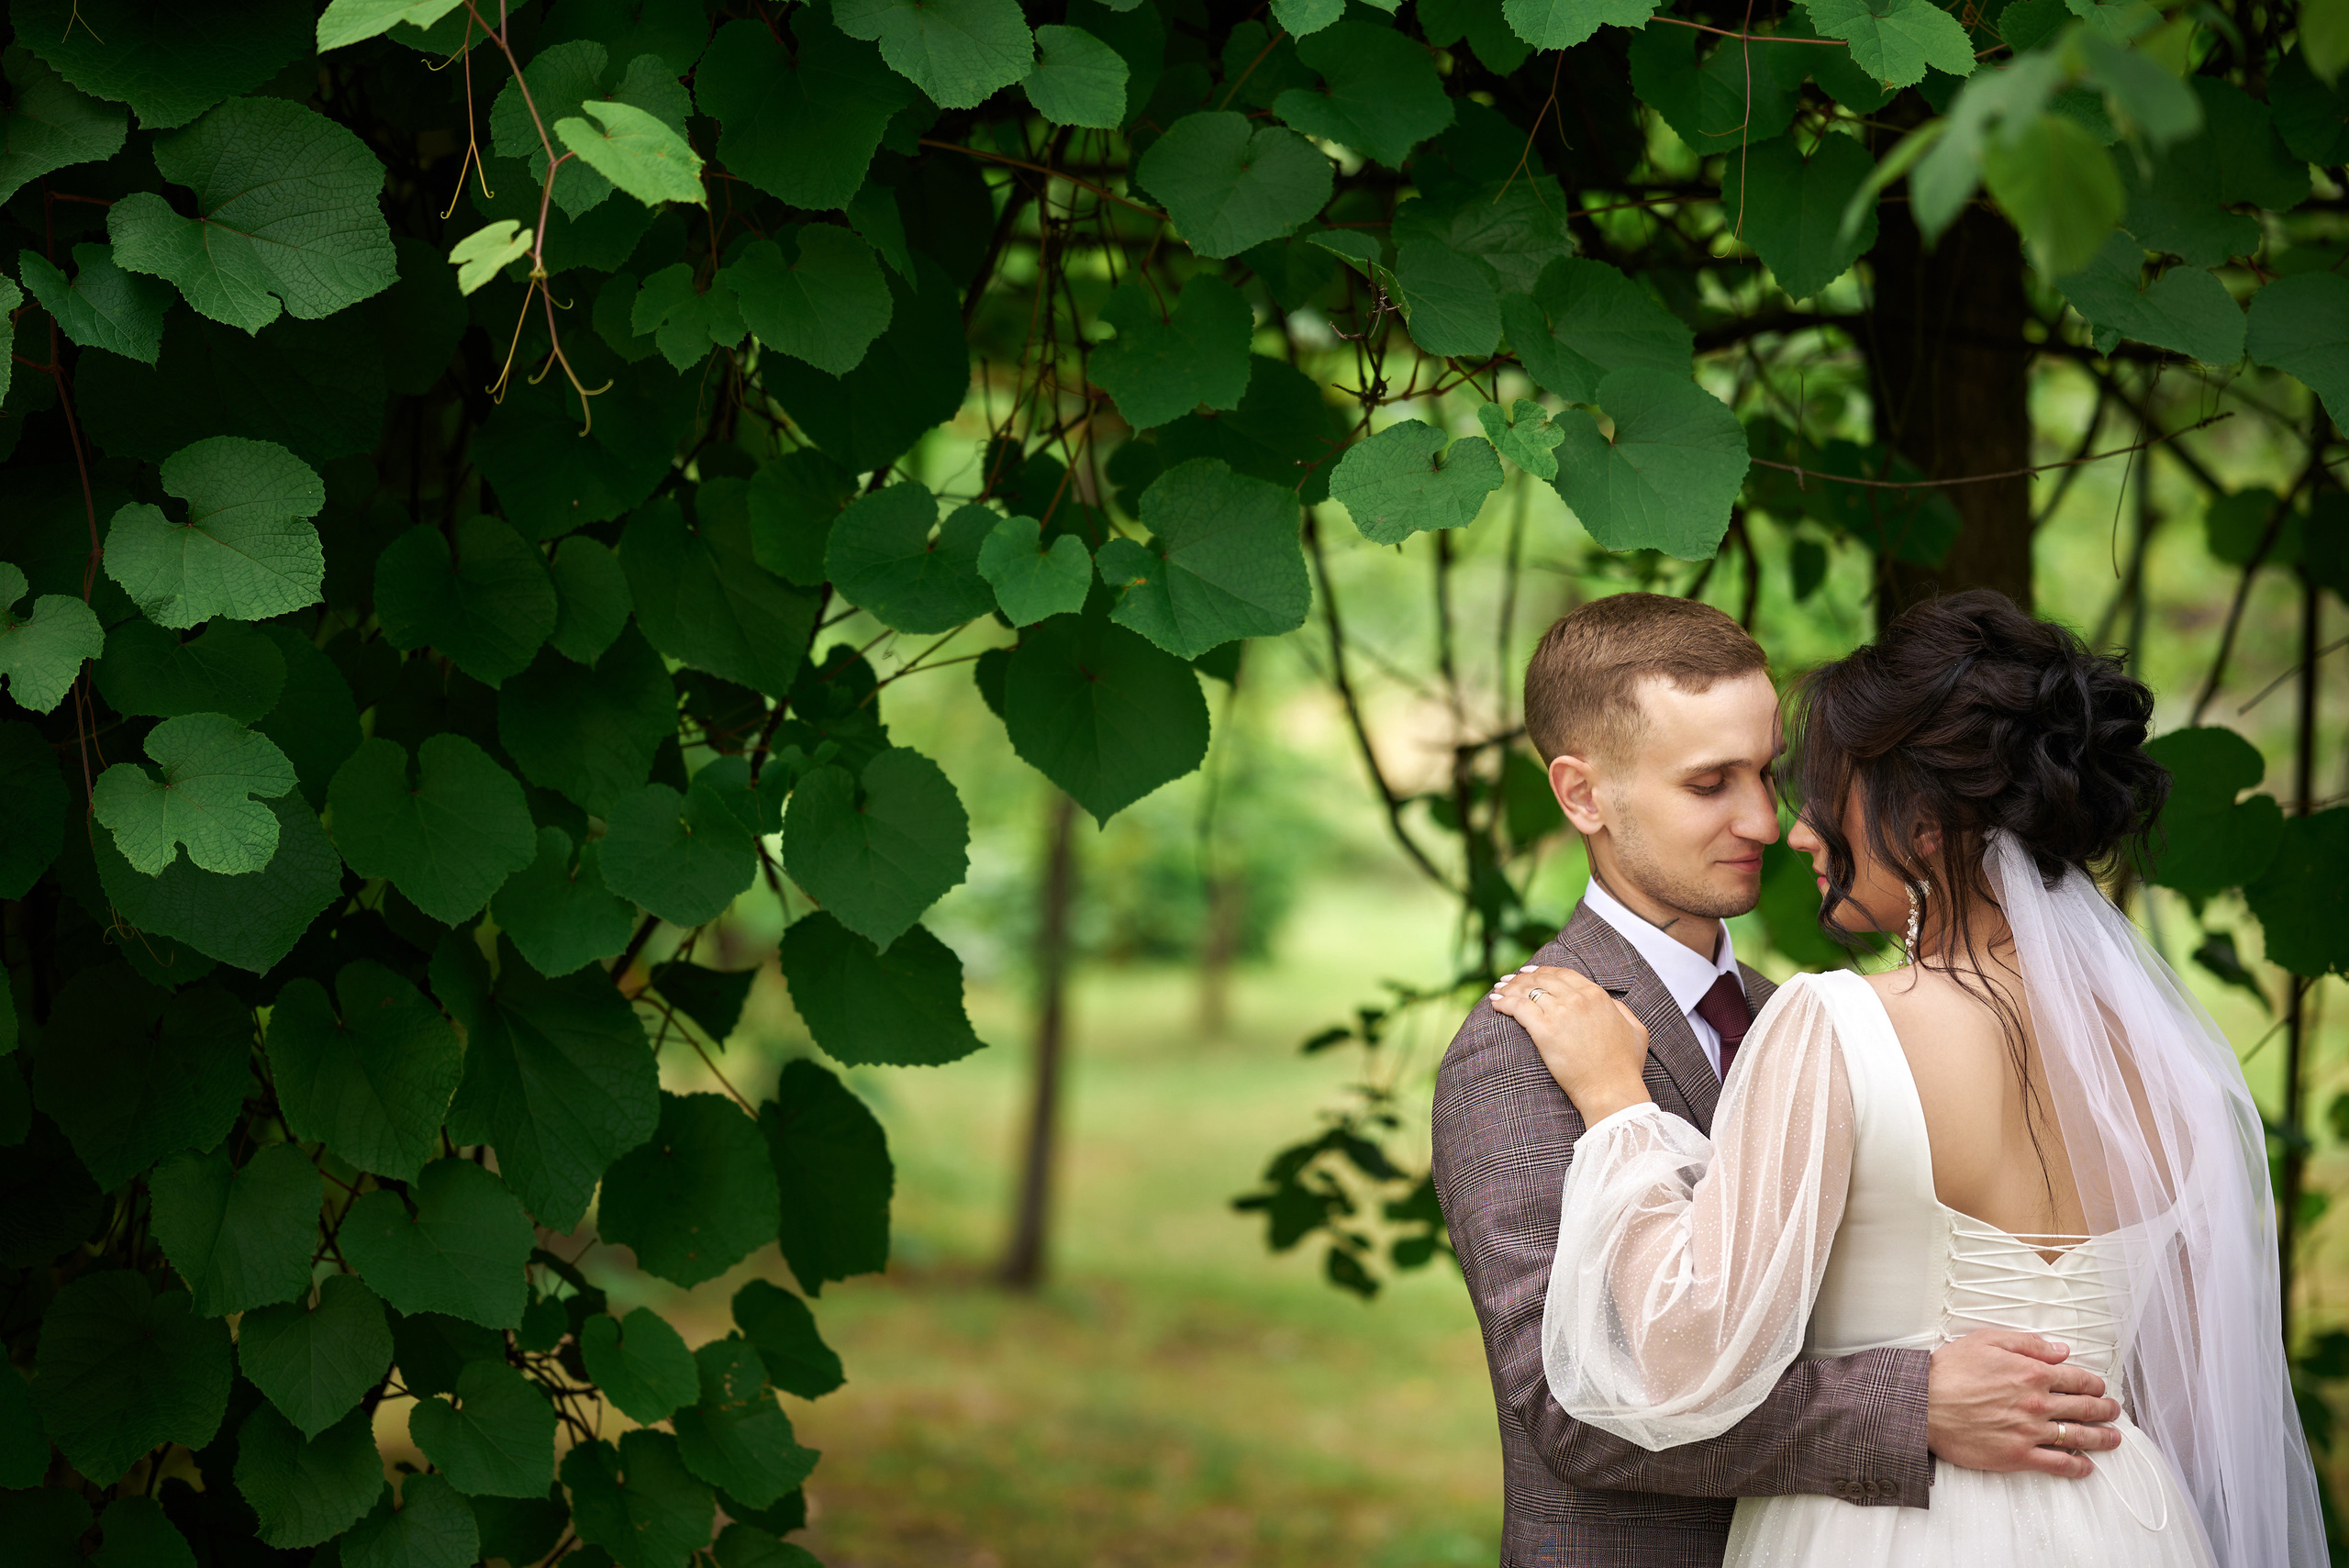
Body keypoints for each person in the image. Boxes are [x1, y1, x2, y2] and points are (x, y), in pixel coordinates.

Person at [1486, 591, 2323, 1567]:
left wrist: (1618, 1106)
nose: (1792, 830)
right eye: (1718, 781)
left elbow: (1678, 1355)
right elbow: (2183, 1396)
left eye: (1822, 794)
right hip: (2129, 1520)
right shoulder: (2177, 1066)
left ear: (1921, 824)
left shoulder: (1835, 1022)